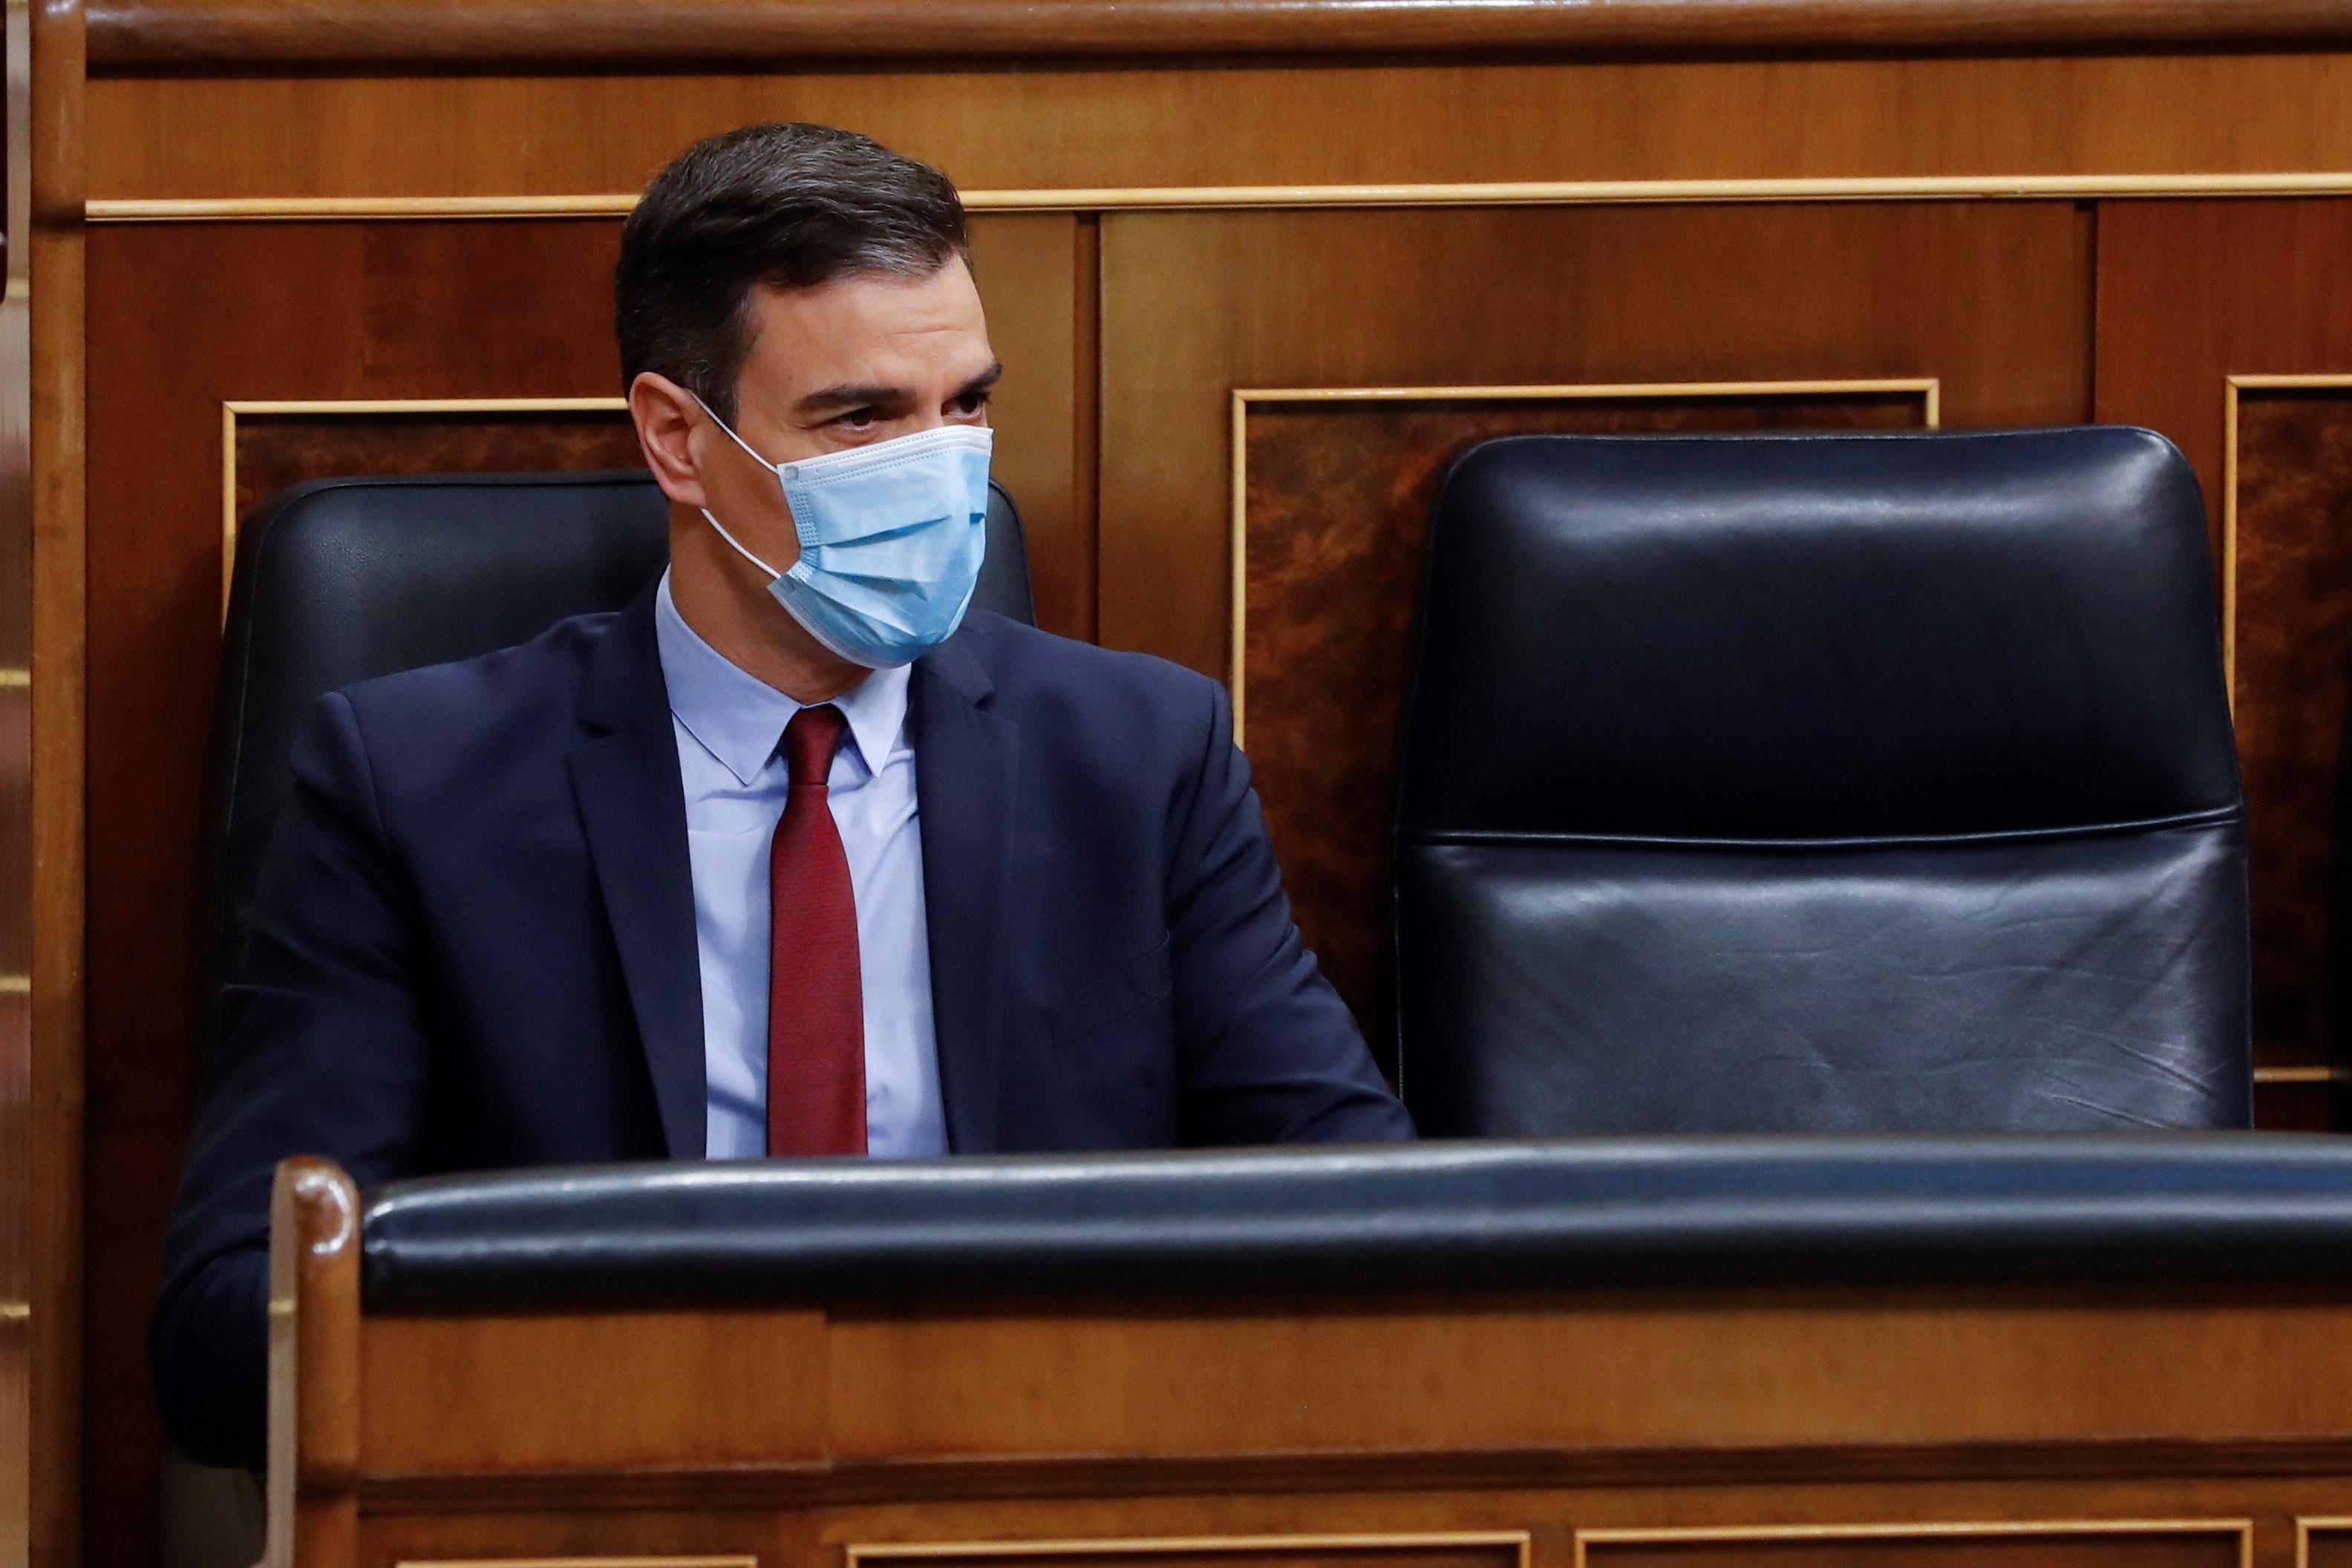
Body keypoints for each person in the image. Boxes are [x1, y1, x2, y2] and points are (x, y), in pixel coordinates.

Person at [149, 122, 1413, 1471]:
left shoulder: (1142, 758)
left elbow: (1374, 1231)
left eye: (967, 406)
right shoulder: (412, 788)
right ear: (678, 441)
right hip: (616, 1504)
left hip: (1033, 1489)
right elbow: (232, 1333)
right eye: (863, 417)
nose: (941, 468)